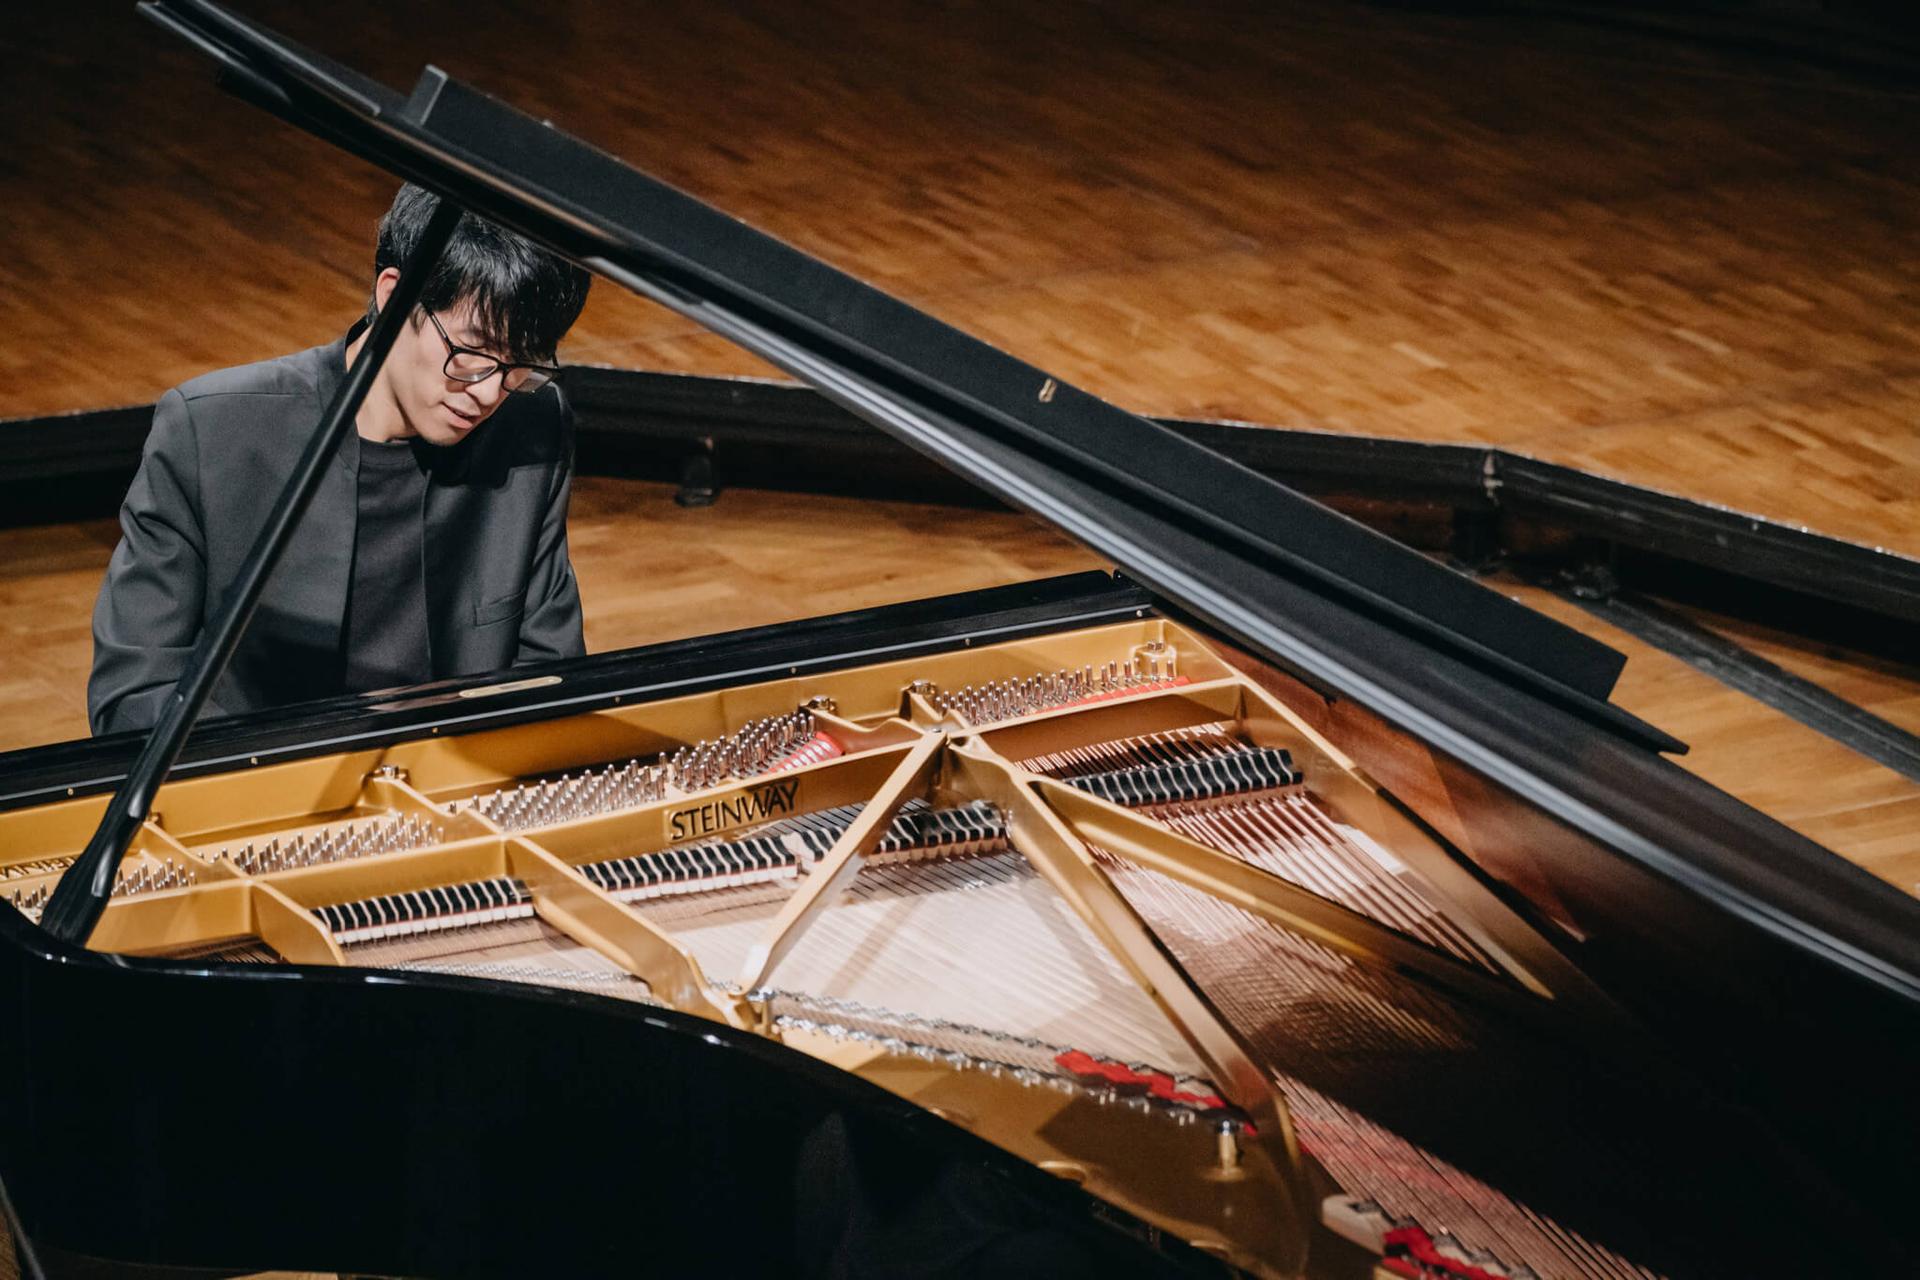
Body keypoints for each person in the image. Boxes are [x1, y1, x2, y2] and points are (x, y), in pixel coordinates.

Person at [88, 184, 592, 735]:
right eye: (471, 353)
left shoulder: (533, 423)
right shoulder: (212, 432)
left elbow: (549, 671)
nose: (490, 391)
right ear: (395, 296)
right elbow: (132, 697)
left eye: (520, 361)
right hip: (256, 787)